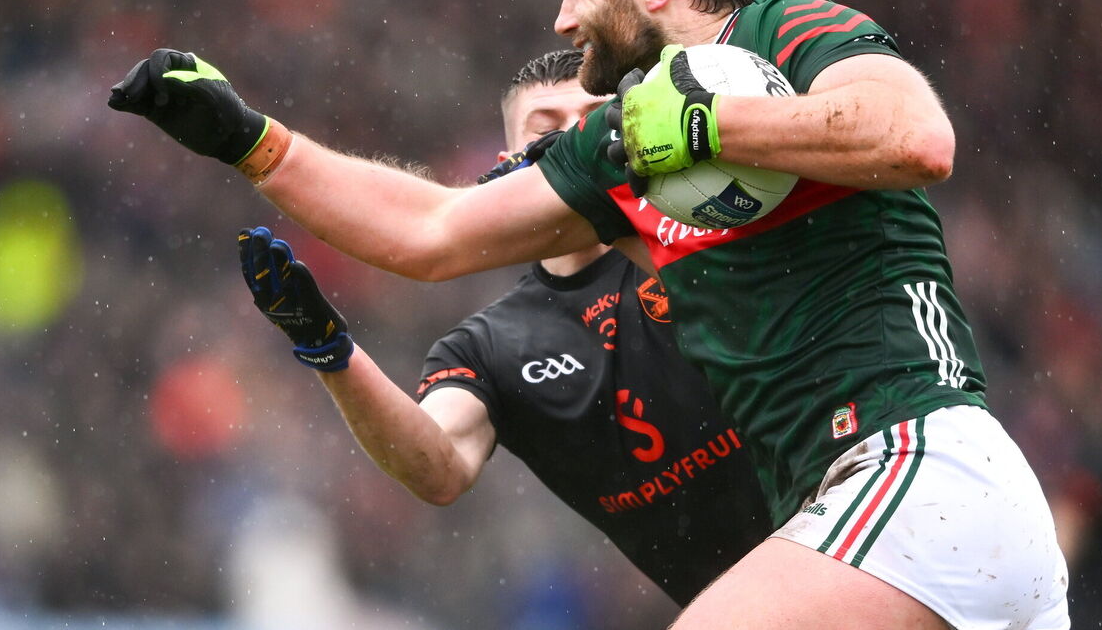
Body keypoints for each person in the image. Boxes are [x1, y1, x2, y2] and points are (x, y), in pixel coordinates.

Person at [108, 0, 1070, 628]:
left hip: (924, 471)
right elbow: (432, 231)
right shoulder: (621, 151)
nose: (562, 20)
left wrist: (707, 126)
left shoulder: (787, 28)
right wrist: (251, 140)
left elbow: (916, 140)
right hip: (890, 530)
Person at [234, 49, 773, 608]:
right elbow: (438, 468)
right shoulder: (488, 345)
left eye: (592, 123)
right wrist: (330, 352)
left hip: (837, 541)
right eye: (547, 131)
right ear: (510, 161)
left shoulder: (699, 235)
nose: (575, 143)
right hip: (736, 604)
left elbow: (747, 305)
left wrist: (606, 207)